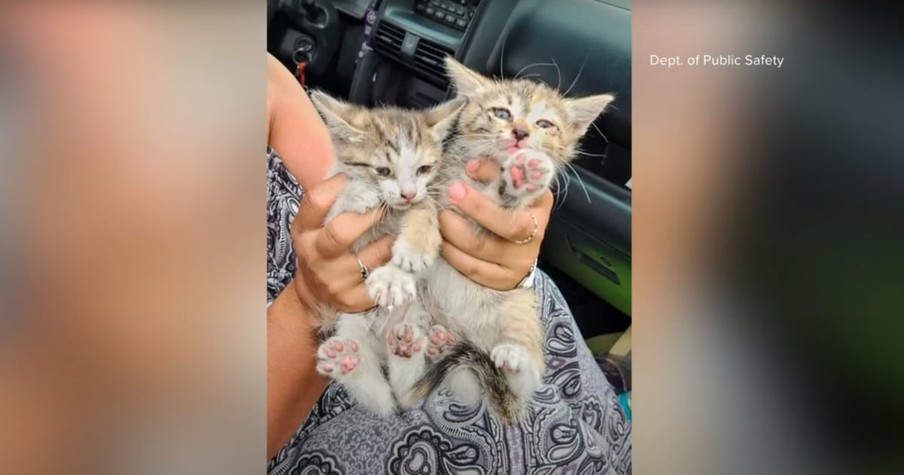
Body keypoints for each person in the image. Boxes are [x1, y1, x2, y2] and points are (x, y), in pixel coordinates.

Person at [266, 54, 632, 474]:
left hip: (402, 287)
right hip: (289, 386)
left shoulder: (260, 75)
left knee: (539, 293)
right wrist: (313, 300)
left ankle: (609, 420)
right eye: (503, 114)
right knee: (496, 427)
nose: (521, 129)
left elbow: (357, 168)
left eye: (543, 125)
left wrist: (507, 247)